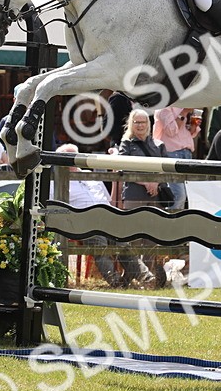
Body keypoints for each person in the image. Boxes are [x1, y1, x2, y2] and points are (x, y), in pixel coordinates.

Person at [57, 143, 136, 288]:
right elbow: (57, 208)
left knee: (123, 241)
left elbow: (109, 201)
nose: (71, 160)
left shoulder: (92, 177)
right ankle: (117, 283)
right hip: (83, 222)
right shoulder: (57, 181)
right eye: (66, 157)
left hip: (107, 218)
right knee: (100, 245)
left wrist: (114, 180)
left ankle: (142, 277)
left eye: (74, 156)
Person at [116, 109, 167, 287]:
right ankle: (130, 277)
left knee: (151, 237)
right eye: (136, 122)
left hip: (154, 196)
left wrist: (156, 184)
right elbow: (123, 168)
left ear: (149, 124)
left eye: (143, 122)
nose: (140, 125)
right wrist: (146, 182)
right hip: (134, 194)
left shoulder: (158, 144)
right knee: (133, 237)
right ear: (131, 124)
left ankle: (149, 278)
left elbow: (165, 169)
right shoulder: (126, 144)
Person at [153, 106, 199, 211]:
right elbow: (171, 131)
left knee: (186, 195)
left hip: (187, 154)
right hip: (171, 155)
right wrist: (184, 112)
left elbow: (189, 134)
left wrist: (193, 125)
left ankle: (176, 221)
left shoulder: (181, 106)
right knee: (178, 195)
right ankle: (171, 223)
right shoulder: (163, 108)